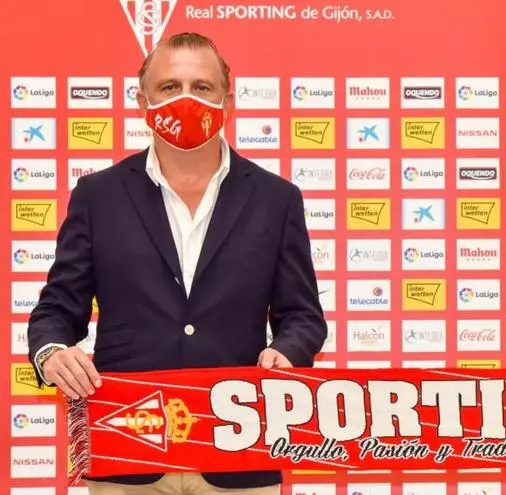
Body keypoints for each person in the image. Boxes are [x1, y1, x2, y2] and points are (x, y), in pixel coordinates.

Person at [27, 32, 327, 495]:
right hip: (127, 449)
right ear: (142, 101)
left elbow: (303, 315)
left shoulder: (277, 198)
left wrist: (289, 351)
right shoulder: (98, 196)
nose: (186, 99)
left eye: (202, 87)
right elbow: (57, 309)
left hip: (239, 449)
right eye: (169, 87)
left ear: (228, 100)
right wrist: (51, 352)